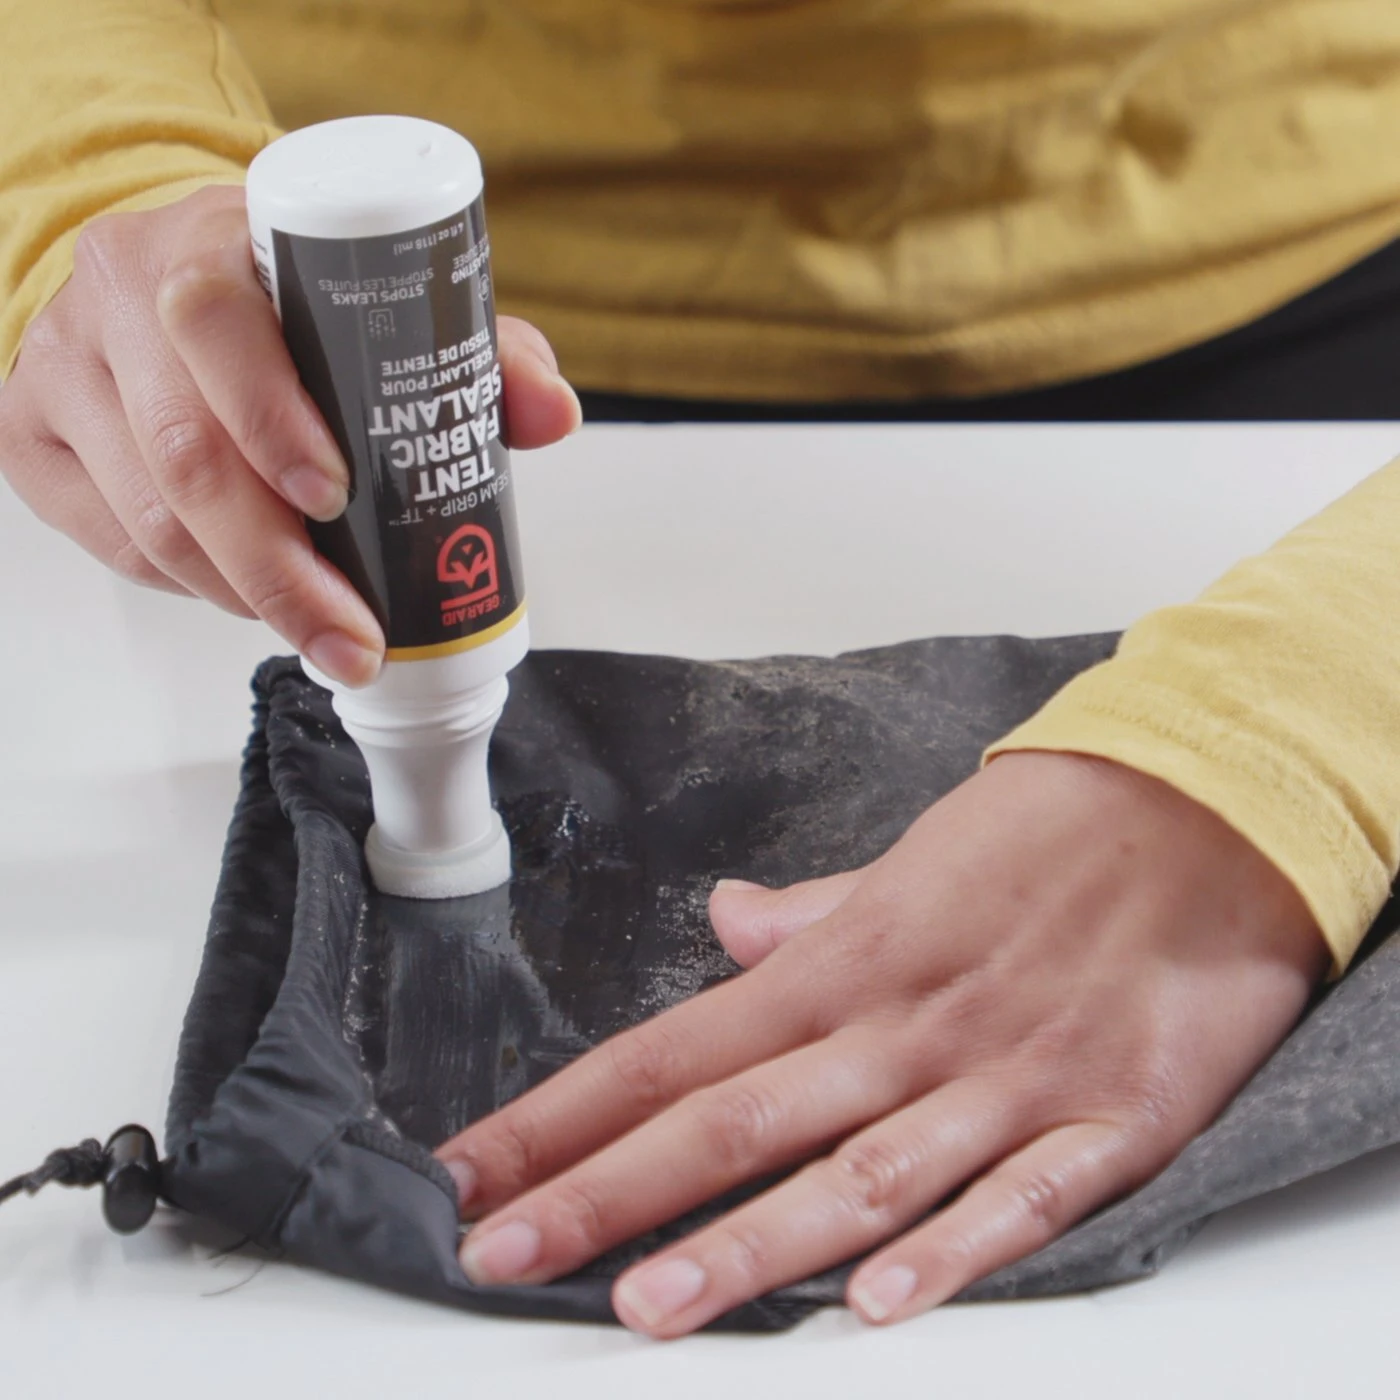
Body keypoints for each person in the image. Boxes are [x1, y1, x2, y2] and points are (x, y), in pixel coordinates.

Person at [1, 0, 1398, 1338]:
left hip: (1300, 288)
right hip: (346, 329)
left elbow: (1295, 730)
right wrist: (90, 170)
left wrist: (1280, 739)